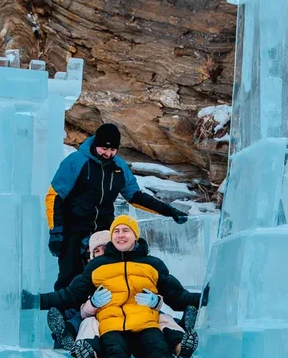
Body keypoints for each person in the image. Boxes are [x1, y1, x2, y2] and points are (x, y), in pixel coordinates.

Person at [24, 215, 200, 358]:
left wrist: (206, 297)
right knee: (115, 354)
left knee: (158, 353)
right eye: (116, 231)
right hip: (112, 325)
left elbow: (177, 296)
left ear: (135, 236)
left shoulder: (152, 264)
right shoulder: (97, 266)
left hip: (146, 324)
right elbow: (69, 295)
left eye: (125, 231)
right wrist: (34, 301)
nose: (120, 235)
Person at [45, 123, 189, 291]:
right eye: (103, 149)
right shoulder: (76, 161)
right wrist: (56, 231)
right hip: (74, 228)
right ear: (95, 143)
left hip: (104, 229)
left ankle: (103, 314)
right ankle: (64, 314)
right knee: (70, 276)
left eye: (113, 150)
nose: (108, 153)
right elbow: (55, 196)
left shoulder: (119, 166)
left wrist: (169, 211)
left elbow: (135, 196)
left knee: (108, 275)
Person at [64, 229, 199, 358]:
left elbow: (161, 291)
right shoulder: (90, 275)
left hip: (140, 315)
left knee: (162, 318)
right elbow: (77, 301)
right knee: (88, 324)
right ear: (91, 257)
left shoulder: (132, 266)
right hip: (105, 319)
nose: (102, 253)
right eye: (97, 251)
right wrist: (92, 305)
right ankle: (82, 349)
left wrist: (155, 301)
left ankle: (182, 345)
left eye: (105, 247)